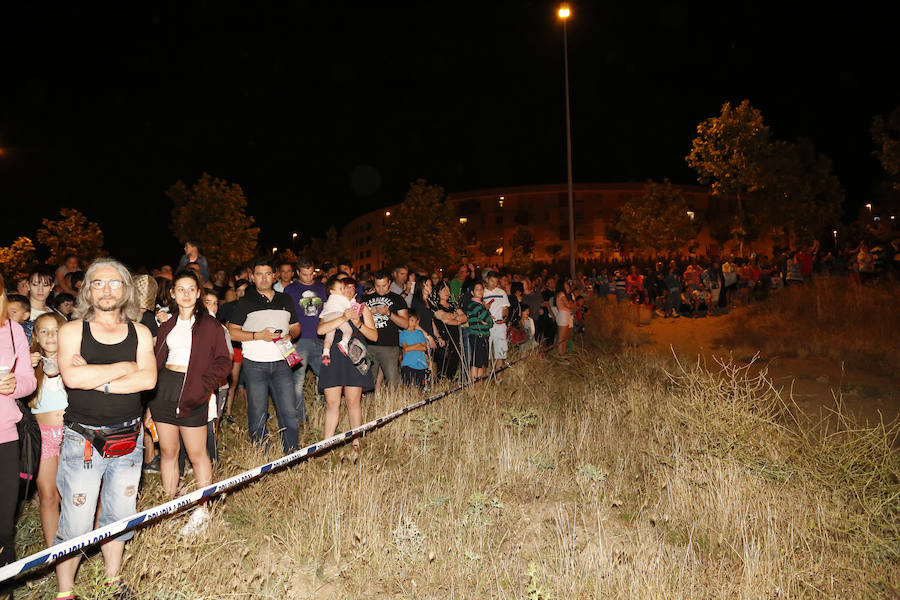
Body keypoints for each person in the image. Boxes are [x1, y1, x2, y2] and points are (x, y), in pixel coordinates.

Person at [55, 258, 157, 600]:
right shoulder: (72, 330)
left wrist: (99, 378)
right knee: (76, 522)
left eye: (114, 283)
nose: (107, 289)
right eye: (98, 283)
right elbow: (72, 378)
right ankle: (65, 592)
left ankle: (112, 582)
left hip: (130, 438)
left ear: (125, 289)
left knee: (120, 514)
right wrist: (124, 367)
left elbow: (148, 380)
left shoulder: (140, 332)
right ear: (87, 290)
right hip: (82, 439)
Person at [148, 270, 231, 535]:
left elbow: (223, 363)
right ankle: (171, 507)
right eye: (179, 289)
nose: (185, 294)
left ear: (198, 293)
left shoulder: (211, 326)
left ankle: (202, 509)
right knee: (169, 452)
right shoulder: (167, 326)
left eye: (190, 289)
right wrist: (149, 401)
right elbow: (156, 361)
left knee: (197, 454)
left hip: (194, 390)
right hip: (165, 390)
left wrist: (204, 386)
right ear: (172, 293)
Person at [226, 259, 300, 454]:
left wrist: (290, 336)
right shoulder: (245, 301)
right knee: (257, 412)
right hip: (255, 365)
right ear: (252, 277)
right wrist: (259, 336)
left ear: (275, 275)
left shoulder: (285, 300)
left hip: (283, 362)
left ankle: (292, 452)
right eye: (259, 274)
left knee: (289, 411)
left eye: (268, 273)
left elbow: (295, 326)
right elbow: (231, 331)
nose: (264, 278)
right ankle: (261, 454)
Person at [0, 275, 38, 597]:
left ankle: (5, 588)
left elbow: (28, 379)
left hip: (5, 435)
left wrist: (17, 385)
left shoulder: (12, 331)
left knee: (3, 523)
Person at [317, 277, 377, 461]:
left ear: (356, 291)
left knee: (353, 402)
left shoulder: (362, 308)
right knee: (332, 403)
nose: (349, 290)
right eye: (345, 287)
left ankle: (356, 446)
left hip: (355, 354)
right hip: (334, 355)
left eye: (352, 287)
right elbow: (321, 330)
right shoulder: (332, 307)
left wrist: (357, 322)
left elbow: (374, 336)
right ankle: (326, 447)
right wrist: (343, 317)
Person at [28, 312, 68, 547]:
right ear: (35, 336)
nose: (50, 336)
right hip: (43, 436)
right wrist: (25, 367)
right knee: (48, 495)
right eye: (44, 331)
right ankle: (54, 551)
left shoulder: (73, 360)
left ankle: (82, 543)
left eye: (56, 330)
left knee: (73, 495)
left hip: (72, 435)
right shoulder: (29, 365)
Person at [283, 259, 327, 425]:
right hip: (299, 341)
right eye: (305, 274)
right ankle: (301, 417)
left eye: (311, 274)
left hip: (320, 339)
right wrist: (290, 340)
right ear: (298, 273)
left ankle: (322, 410)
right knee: (297, 381)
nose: (309, 278)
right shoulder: (290, 290)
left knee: (325, 377)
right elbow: (286, 315)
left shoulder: (322, 288)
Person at [362, 271, 408, 389]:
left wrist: (388, 313)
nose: (381, 289)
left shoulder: (398, 299)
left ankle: (392, 406)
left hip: (389, 346)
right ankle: (370, 405)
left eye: (384, 285)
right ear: (374, 284)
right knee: (367, 381)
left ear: (389, 283)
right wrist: (367, 314)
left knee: (393, 382)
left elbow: (405, 324)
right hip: (369, 345)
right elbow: (358, 321)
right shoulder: (366, 298)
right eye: (378, 286)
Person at [318, 277, 363, 365]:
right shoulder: (340, 298)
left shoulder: (329, 300)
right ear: (332, 291)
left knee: (329, 336)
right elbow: (349, 306)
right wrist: (353, 301)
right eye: (342, 288)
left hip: (327, 316)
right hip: (337, 315)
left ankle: (326, 352)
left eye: (353, 288)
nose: (344, 291)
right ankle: (344, 342)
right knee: (348, 330)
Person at [431, 282, 466, 382]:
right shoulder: (435, 306)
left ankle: (450, 381)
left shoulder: (453, 304)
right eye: (443, 290)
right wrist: (456, 318)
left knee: (454, 360)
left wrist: (454, 317)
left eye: (448, 289)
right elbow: (445, 319)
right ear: (438, 292)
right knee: (442, 363)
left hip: (455, 337)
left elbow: (464, 318)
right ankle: (440, 383)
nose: (447, 292)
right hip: (443, 337)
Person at [464, 282, 492, 381]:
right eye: (477, 289)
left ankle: (479, 383)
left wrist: (485, 319)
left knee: (482, 361)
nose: (480, 291)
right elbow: (486, 319)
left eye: (481, 289)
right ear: (472, 292)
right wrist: (486, 315)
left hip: (484, 336)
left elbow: (490, 323)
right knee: (476, 361)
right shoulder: (473, 305)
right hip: (477, 335)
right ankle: (474, 383)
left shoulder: (481, 306)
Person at [482, 272, 510, 373]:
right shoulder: (482, 293)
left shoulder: (502, 292)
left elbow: (505, 308)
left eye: (496, 281)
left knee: (500, 351)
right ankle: (488, 376)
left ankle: (498, 377)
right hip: (486, 326)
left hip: (500, 325)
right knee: (486, 352)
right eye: (492, 281)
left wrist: (504, 317)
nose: (494, 283)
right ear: (486, 280)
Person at [399, 309, 428, 388]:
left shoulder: (420, 333)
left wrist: (412, 347)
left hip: (420, 364)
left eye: (416, 320)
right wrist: (418, 344)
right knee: (407, 386)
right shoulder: (402, 334)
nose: (415, 322)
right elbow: (405, 349)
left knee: (420, 387)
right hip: (408, 364)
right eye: (412, 320)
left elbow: (424, 348)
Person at [555, 279, 574, 355]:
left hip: (566, 315)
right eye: (565, 284)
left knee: (565, 338)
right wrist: (573, 305)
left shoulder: (564, 294)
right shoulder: (561, 294)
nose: (567, 286)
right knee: (562, 338)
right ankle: (560, 355)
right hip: (563, 316)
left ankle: (564, 353)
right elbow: (569, 305)